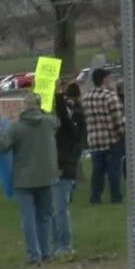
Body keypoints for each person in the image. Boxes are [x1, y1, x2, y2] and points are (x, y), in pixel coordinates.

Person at [0, 93, 60, 265]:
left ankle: (33, 255)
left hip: (24, 179)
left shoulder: (16, 126)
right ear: (38, 105)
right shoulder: (49, 122)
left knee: (28, 219)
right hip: (46, 176)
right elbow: (58, 122)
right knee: (45, 217)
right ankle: (47, 252)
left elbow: (2, 147)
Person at [53, 82, 87, 257]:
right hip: (62, 167)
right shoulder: (72, 126)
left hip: (64, 169)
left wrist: (58, 95)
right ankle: (57, 243)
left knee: (60, 209)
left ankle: (64, 245)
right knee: (55, 209)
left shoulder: (71, 127)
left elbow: (63, 118)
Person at [81, 68, 125, 204]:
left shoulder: (86, 98)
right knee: (113, 171)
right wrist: (123, 135)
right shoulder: (110, 97)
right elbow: (118, 120)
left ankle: (95, 197)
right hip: (111, 139)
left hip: (94, 140)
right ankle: (116, 197)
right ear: (104, 79)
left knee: (97, 172)